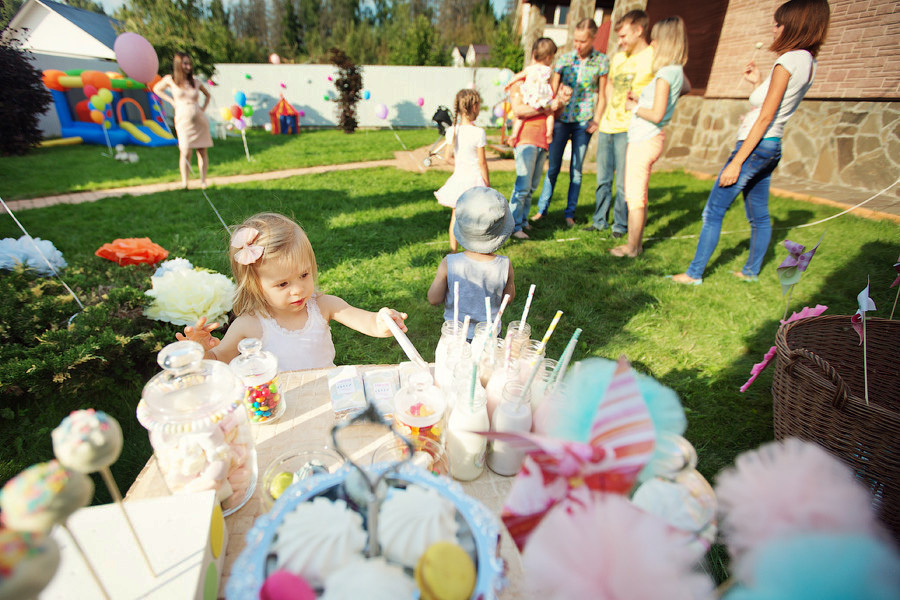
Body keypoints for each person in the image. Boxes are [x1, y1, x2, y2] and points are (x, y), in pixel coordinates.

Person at [672, 0, 830, 285]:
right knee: (759, 216)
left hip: (756, 146)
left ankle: (693, 274)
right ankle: (750, 273)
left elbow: (767, 114)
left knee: (713, 210)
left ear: (794, 26)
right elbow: (775, 104)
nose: (774, 28)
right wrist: (757, 81)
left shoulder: (787, 61)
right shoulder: (808, 62)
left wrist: (737, 161)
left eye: (778, 23)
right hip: (772, 146)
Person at [177, 212, 409, 371]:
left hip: (325, 395)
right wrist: (200, 349)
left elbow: (368, 322)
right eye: (283, 284)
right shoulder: (250, 324)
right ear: (254, 285)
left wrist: (384, 322)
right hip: (278, 403)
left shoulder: (323, 306)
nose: (298, 290)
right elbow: (219, 361)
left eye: (304, 275)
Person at [610, 17, 689, 258]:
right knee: (637, 193)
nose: (652, 42)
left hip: (645, 138)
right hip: (651, 138)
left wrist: (635, 106)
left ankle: (633, 247)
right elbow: (686, 87)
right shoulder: (676, 71)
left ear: (666, 42)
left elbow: (655, 113)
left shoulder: (665, 73)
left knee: (635, 196)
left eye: (657, 38)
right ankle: (634, 244)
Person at [532, 19, 609, 228]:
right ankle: (542, 210)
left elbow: (602, 94)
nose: (578, 45)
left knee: (576, 169)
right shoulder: (564, 60)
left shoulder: (601, 61)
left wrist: (597, 119)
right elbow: (551, 91)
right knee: (553, 167)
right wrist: (556, 104)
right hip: (561, 121)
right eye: (575, 40)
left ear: (593, 38)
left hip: (583, 122)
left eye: (583, 41)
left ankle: (569, 213)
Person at [588, 10, 655, 236]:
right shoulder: (617, 58)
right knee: (603, 179)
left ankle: (620, 225)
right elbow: (608, 88)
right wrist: (601, 116)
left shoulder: (653, 56)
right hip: (608, 125)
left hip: (631, 128)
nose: (620, 41)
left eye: (624, 36)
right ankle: (599, 221)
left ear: (638, 31)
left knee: (624, 182)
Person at [428, 187, 516, 340]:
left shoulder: (449, 264)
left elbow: (434, 299)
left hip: (456, 337)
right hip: (490, 336)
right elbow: (508, 298)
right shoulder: (505, 265)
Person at [508, 38, 572, 240]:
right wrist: (544, 108)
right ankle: (513, 225)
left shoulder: (545, 85)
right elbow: (519, 110)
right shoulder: (521, 83)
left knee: (532, 186)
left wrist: (559, 103)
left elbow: (555, 112)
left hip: (542, 140)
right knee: (522, 186)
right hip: (525, 139)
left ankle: (523, 221)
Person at [434, 89, 490, 252]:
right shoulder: (478, 133)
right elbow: (482, 163)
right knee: (474, 219)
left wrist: (461, 165)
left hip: (459, 180)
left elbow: (447, 157)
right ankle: (473, 251)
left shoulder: (453, 130)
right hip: (474, 181)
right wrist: (487, 183)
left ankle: (453, 251)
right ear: (474, 107)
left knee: (455, 218)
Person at [153, 52, 213, 189]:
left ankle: (203, 181)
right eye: (185, 63)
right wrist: (171, 101)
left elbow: (208, 95)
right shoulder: (171, 80)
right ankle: (185, 182)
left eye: (189, 63)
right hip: (183, 120)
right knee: (185, 151)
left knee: (202, 151)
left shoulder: (196, 82)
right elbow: (156, 89)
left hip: (199, 120)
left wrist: (202, 108)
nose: (188, 66)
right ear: (178, 65)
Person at [505, 38, 560, 147]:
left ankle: (514, 135)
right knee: (550, 114)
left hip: (531, 97)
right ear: (549, 57)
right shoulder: (549, 71)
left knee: (521, 119)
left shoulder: (530, 70)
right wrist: (546, 107)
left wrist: (509, 82)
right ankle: (549, 132)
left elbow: (518, 75)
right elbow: (518, 111)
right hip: (527, 139)